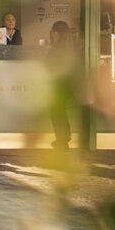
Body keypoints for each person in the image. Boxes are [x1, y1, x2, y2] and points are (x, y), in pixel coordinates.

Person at [47, 20, 75, 150]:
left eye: (52, 31)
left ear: (56, 33)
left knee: (57, 113)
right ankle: (64, 138)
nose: (51, 34)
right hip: (66, 86)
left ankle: (62, 141)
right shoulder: (69, 47)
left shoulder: (57, 48)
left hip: (57, 86)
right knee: (61, 112)